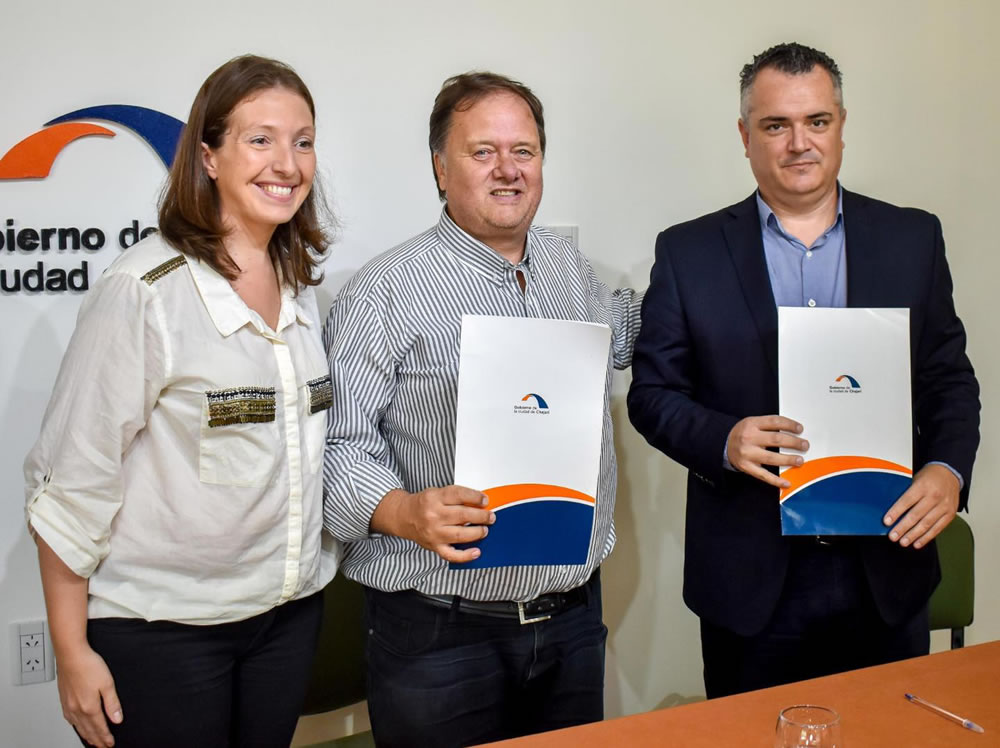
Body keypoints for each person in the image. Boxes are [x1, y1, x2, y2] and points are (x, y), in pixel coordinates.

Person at [627, 42, 980, 698]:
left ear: (841, 125)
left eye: (817, 121)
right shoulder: (688, 252)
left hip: (886, 562)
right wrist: (724, 439)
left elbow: (948, 380)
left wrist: (948, 470)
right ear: (745, 136)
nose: (799, 143)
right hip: (751, 580)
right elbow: (652, 394)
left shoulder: (913, 239)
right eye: (776, 125)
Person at [24, 55, 338, 748]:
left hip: (285, 618)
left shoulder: (298, 283)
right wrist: (71, 652)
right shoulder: (145, 291)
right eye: (259, 140)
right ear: (208, 156)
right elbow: (71, 482)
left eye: (303, 141)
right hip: (162, 633)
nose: (286, 164)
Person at [323, 71, 642, 747]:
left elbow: (628, 336)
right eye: (483, 152)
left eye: (524, 151)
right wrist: (403, 511)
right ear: (441, 169)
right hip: (440, 635)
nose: (508, 170)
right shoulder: (383, 292)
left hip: (572, 622)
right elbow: (339, 446)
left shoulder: (571, 270)